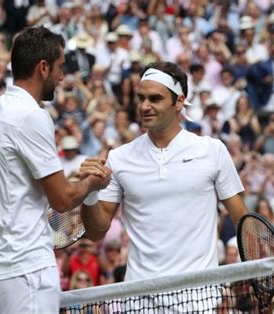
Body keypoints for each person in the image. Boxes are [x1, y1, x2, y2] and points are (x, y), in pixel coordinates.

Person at [0, 26, 111, 313]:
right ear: (43, 68)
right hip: (28, 271)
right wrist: (92, 183)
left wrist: (1, 227)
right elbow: (62, 199)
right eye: (60, 67)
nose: (62, 76)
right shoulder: (32, 116)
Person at [79, 62, 248, 283]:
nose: (145, 106)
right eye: (141, 98)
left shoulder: (212, 150)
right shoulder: (119, 157)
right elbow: (96, 233)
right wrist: (90, 193)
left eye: (155, 99)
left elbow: (243, 221)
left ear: (179, 102)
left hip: (199, 297)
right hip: (141, 297)